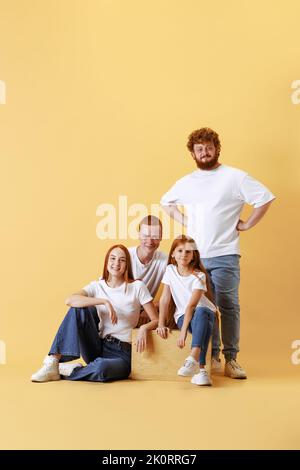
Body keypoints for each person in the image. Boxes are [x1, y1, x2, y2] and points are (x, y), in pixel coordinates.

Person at [160, 127, 275, 379]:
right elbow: (166, 202)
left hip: (225, 254)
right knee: (205, 308)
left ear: (217, 149)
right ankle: (211, 356)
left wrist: (247, 224)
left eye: (209, 148)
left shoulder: (234, 177)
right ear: (192, 153)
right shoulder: (187, 182)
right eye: (199, 149)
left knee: (229, 306)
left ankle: (231, 359)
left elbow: (264, 198)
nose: (204, 153)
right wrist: (186, 222)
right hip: (195, 258)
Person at [31, 244, 158, 383]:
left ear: (127, 264)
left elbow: (156, 320)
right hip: (98, 346)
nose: (116, 263)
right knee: (79, 308)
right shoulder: (97, 286)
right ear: (106, 261)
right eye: (113, 258)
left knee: (101, 369)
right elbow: (70, 300)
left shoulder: (137, 287)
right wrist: (103, 302)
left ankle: (70, 371)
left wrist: (143, 328)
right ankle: (52, 362)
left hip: (123, 354)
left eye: (122, 260)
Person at [157, 235, 216, 386]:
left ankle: (193, 358)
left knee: (202, 311)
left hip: (203, 312)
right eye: (180, 250)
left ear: (193, 255)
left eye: (188, 252)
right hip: (183, 315)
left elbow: (192, 305)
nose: (184, 254)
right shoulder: (170, 270)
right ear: (173, 254)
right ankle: (202, 371)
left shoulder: (200, 276)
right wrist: (161, 324)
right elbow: (165, 299)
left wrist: (183, 332)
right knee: (202, 326)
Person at [128, 215, 167, 325]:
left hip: (147, 310)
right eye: (145, 236)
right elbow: (109, 285)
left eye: (155, 236)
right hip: (122, 308)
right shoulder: (125, 255)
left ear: (161, 237)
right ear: (139, 235)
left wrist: (151, 307)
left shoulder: (165, 260)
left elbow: (177, 292)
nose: (149, 241)